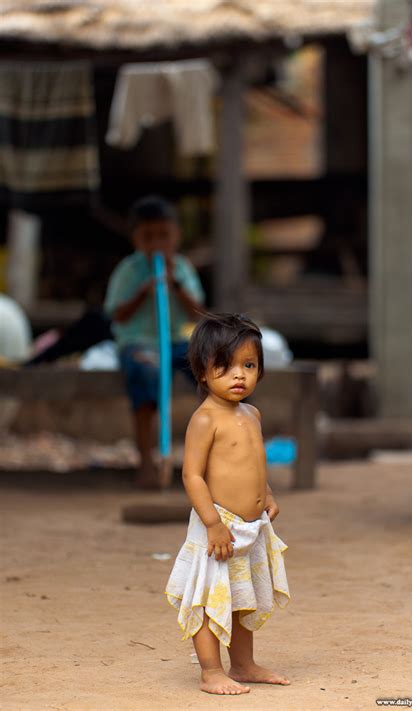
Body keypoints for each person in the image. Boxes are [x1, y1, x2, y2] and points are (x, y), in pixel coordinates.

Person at [165, 313, 290, 696]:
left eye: (248, 365)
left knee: (242, 596)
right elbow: (193, 475)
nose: (239, 375)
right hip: (217, 524)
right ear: (202, 372)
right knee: (208, 597)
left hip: (249, 529)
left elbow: (253, 462)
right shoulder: (205, 419)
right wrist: (212, 523)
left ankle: (244, 664)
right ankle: (211, 671)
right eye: (225, 366)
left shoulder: (252, 414)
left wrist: (266, 493)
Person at [104, 195, 205, 488]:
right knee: (145, 374)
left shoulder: (182, 267)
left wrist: (175, 285)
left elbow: (197, 310)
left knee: (212, 372)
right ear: (135, 239)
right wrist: (141, 293)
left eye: (164, 235)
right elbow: (117, 315)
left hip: (174, 341)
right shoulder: (129, 270)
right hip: (139, 343)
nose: (157, 243)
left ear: (177, 235)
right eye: (148, 237)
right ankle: (147, 462)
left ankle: (212, 461)